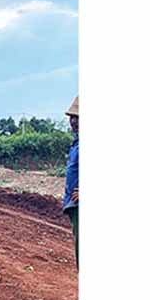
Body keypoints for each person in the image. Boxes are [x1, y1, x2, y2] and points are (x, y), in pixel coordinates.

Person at [63, 96, 79, 270]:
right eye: (72, 117)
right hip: (75, 204)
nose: (73, 121)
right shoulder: (77, 143)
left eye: (78, 117)